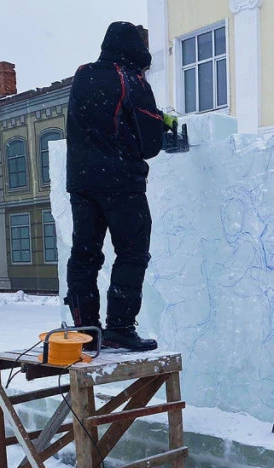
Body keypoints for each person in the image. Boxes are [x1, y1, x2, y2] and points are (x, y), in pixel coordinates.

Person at [64, 21, 166, 351]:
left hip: (81, 183)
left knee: (84, 256)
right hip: (121, 182)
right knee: (132, 252)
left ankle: (85, 332)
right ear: (134, 51)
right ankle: (120, 326)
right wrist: (161, 125)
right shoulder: (130, 78)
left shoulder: (82, 74)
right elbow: (151, 141)